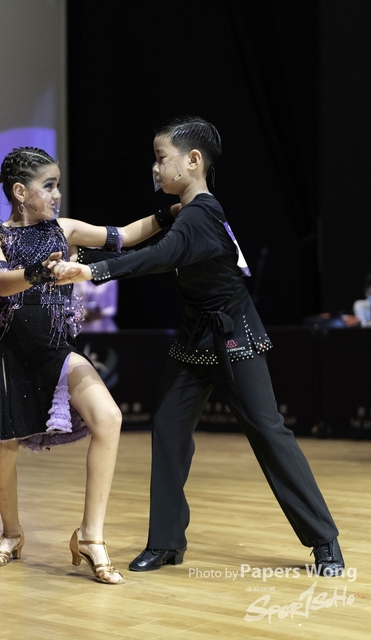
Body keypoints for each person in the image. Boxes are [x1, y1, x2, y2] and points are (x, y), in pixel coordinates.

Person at [51, 116, 345, 577]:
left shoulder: (203, 214)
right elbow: (143, 240)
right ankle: (166, 543)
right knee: (168, 430)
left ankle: (325, 542)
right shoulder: (185, 212)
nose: (155, 168)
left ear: (192, 161)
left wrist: (92, 270)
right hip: (194, 336)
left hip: (233, 336)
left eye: (161, 158)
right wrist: (83, 255)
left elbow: (159, 256)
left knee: (269, 433)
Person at [0, 146, 178, 584]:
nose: (57, 194)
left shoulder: (65, 230)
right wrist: (41, 273)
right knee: (3, 447)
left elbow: (125, 235)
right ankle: (11, 533)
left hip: (56, 353)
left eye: (58, 185)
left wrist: (172, 212)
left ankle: (90, 536)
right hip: (10, 358)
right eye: (49, 186)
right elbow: (1, 282)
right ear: (20, 192)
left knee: (109, 418)